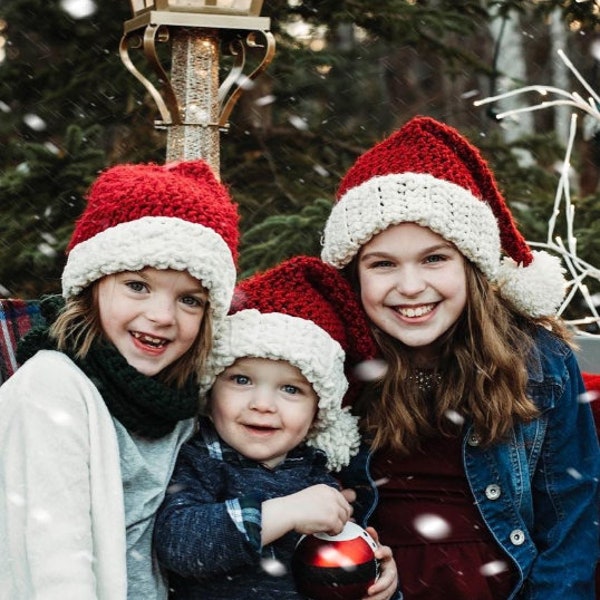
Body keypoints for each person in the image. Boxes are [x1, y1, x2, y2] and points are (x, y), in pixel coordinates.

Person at [319, 116, 600, 599]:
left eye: (434, 258)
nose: (410, 287)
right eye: (383, 264)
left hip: (505, 584)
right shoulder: (331, 363)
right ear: (353, 274)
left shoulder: (538, 363)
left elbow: (572, 516)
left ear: (472, 267)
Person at [0, 159, 240, 600]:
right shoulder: (52, 388)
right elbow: (54, 563)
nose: (162, 317)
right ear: (93, 284)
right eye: (138, 286)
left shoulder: (179, 404)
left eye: (189, 300)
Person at [154, 255, 399, 600]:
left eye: (290, 389)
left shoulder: (315, 474)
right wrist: (284, 512)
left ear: (318, 412)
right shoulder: (199, 462)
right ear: (209, 394)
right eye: (242, 380)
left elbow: (333, 555)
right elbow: (180, 546)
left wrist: (371, 567)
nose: (263, 404)